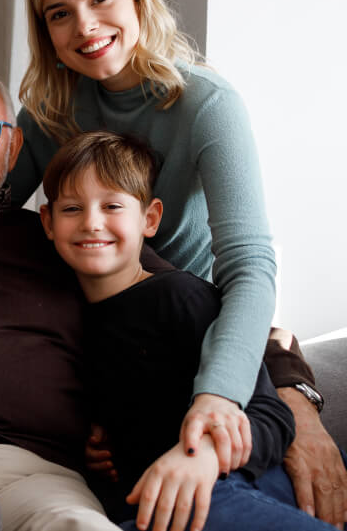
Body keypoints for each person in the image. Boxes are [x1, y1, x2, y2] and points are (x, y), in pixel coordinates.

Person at [0, 60, 342, 531]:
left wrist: (296, 399)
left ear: (14, 145)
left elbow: (203, 310)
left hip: (39, 474)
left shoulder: (67, 240)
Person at [10, 0, 276, 483]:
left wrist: (218, 396)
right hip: (101, 344)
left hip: (188, 334)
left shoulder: (207, 104)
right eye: (59, 14)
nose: (84, 26)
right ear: (46, 32)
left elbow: (249, 265)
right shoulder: (47, 114)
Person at [38, 130, 336, 531]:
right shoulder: (66, 319)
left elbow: (271, 417)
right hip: (149, 503)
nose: (92, 223)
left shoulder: (179, 296)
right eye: (72, 209)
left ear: (150, 218)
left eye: (112, 206)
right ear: (48, 222)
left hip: (237, 483)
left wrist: (203, 456)